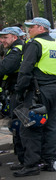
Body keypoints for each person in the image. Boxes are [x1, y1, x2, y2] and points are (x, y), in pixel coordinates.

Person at [14, 17, 56, 177]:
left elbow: (25, 69)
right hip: (55, 89)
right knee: (51, 125)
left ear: (41, 28)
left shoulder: (35, 44)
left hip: (37, 90)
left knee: (29, 127)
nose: (28, 30)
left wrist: (19, 90)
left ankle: (31, 164)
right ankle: (50, 160)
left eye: (31, 27)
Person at [0, 27, 25, 169]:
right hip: (17, 89)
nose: (2, 40)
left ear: (14, 37)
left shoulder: (16, 51)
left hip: (17, 90)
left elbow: (5, 68)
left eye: (5, 37)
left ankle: (23, 158)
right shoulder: (17, 48)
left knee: (18, 124)